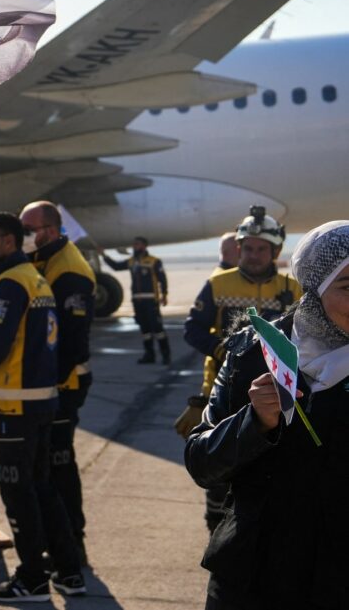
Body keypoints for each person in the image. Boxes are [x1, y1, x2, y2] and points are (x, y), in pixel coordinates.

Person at [184, 220, 349, 610]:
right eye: (347, 287)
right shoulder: (253, 352)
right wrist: (255, 422)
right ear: (315, 288)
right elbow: (201, 463)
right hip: (254, 576)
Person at [0, 213, 84, 602]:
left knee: (18, 493)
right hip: (42, 401)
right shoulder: (36, 278)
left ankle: (32, 577)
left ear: (10, 243)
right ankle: (69, 571)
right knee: (43, 489)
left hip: (15, 407)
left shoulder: (12, 282)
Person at [181, 205, 302, 531]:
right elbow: (192, 329)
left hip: (277, 399)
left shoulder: (294, 288)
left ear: (275, 251)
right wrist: (221, 348)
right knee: (219, 485)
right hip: (224, 392)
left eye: (262, 248)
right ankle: (219, 548)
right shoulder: (218, 284)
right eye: (247, 248)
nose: (253, 254)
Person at [20, 200, 95, 563]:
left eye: (28, 230)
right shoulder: (44, 259)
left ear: (49, 230)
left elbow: (73, 343)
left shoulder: (69, 271)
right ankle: (59, 539)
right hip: (49, 383)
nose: (24, 237)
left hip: (65, 384)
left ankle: (73, 542)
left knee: (60, 463)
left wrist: (50, 384)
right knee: (46, 464)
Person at [101, 236, 170, 365]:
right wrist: (104, 256)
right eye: (134, 244)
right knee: (145, 329)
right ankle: (149, 355)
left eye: (137, 244)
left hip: (151, 300)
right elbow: (116, 266)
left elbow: (162, 278)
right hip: (138, 301)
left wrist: (164, 294)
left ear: (144, 246)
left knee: (157, 328)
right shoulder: (132, 262)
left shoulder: (154, 261)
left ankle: (166, 355)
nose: (134, 247)